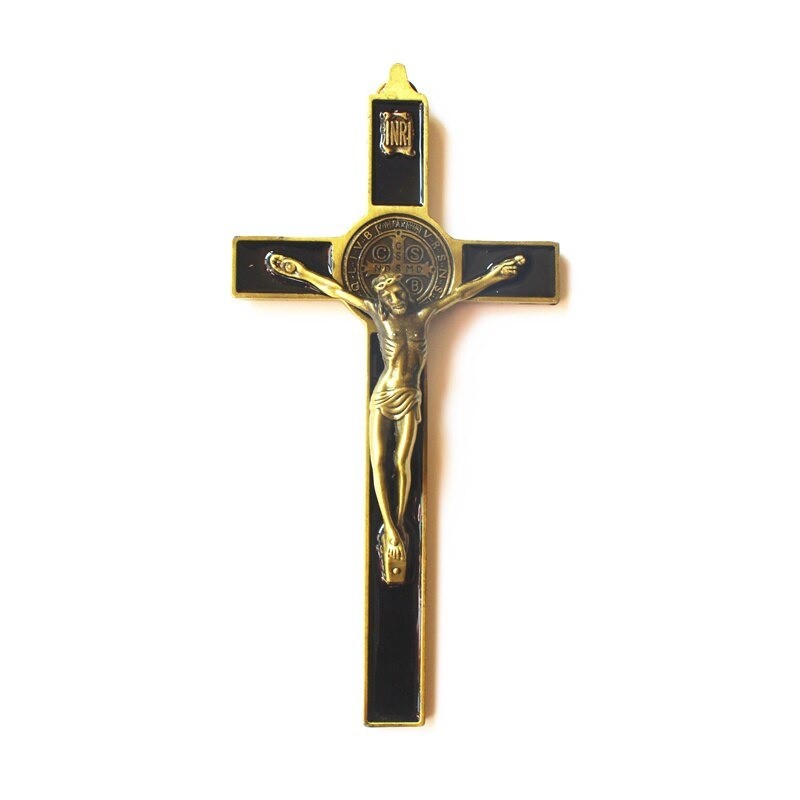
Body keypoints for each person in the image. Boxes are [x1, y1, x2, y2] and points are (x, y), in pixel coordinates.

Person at [267, 251, 524, 583]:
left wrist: (495, 276)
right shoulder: (379, 315)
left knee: (402, 462)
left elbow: (460, 293)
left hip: (409, 396)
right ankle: (390, 529)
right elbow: (335, 290)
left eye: (399, 292)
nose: (396, 298)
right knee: (379, 462)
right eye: (389, 296)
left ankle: (397, 526)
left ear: (409, 292)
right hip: (383, 396)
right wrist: (300, 272)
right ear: (382, 301)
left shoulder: (423, 315)